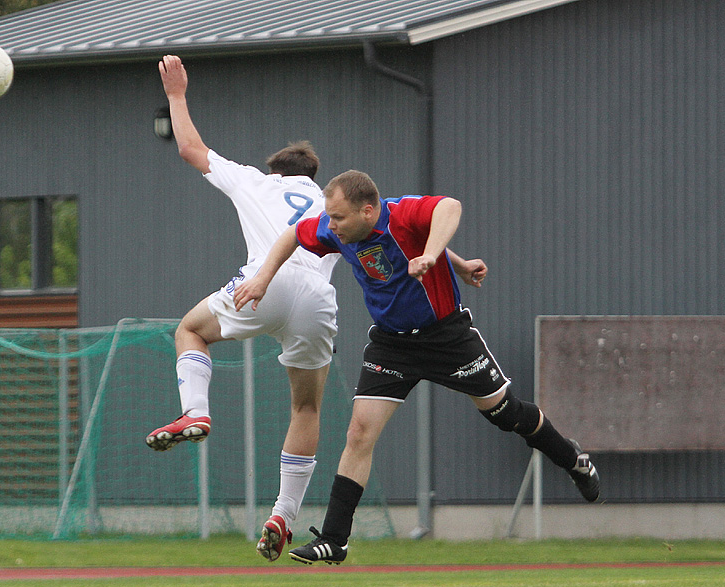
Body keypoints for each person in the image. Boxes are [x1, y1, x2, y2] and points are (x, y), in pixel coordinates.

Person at [234, 169, 601, 564]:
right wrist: (262, 279)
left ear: (368, 211)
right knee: (359, 432)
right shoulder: (335, 230)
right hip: (392, 344)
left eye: (339, 217)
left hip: (447, 337)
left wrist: (433, 254)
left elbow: (448, 207)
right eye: (330, 216)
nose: (331, 225)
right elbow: (292, 235)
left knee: (504, 413)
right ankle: (335, 539)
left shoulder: (401, 213)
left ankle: (572, 459)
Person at [145, 55, 340, 561]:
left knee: (190, 330)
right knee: (306, 406)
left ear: (277, 171)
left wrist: (178, 94)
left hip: (264, 283)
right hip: (317, 301)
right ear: (313, 177)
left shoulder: (255, 180)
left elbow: (189, 147)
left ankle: (197, 412)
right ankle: (283, 515)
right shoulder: (331, 203)